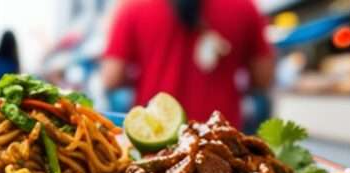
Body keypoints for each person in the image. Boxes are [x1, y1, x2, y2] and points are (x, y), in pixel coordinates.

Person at [101, 0, 274, 126]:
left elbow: (112, 77)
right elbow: (263, 77)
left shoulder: (133, 6)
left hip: (157, 132)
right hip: (221, 135)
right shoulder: (244, 6)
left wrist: (146, 75)